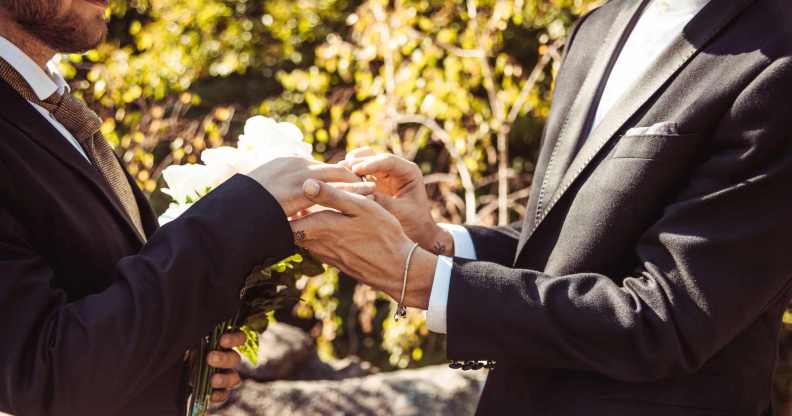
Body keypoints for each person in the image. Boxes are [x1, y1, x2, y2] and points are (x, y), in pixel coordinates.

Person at [291, 0, 792, 414]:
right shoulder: (597, 29)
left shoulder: (779, 56)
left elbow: (665, 319)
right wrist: (438, 240)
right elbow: (570, 245)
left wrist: (422, 279)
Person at [0, 0, 367, 414]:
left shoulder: (50, 108)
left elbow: (94, 332)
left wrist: (180, 371)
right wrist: (239, 216)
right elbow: (40, 374)